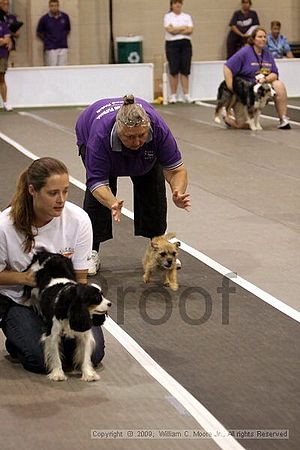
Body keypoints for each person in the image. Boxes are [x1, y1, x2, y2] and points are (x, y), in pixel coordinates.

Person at [0, 157, 105, 374]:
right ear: (32, 190)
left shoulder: (79, 220)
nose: (61, 200)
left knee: (93, 355)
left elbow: (81, 278)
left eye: (65, 191)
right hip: (21, 300)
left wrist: (79, 306)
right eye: (53, 193)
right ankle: (18, 338)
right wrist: (24, 278)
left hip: (64, 300)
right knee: (39, 360)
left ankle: (35, 336)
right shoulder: (5, 225)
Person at [75, 95, 190, 276]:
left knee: (154, 189)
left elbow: (176, 169)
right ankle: (90, 251)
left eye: (141, 135)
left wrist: (177, 190)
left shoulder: (158, 129)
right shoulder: (99, 137)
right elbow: (97, 182)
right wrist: (112, 202)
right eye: (130, 137)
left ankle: (159, 247)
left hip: (147, 155)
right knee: (98, 199)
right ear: (119, 130)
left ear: (148, 127)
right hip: (93, 134)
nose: (136, 142)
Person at [223, 27, 291, 130]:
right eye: (260, 37)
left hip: (260, 91)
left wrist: (266, 79)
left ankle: (283, 119)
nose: (263, 39)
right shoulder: (244, 52)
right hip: (245, 94)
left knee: (278, 84)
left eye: (264, 37)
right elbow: (227, 67)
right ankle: (227, 117)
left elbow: (275, 74)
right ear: (253, 39)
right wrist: (231, 86)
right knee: (243, 125)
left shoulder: (268, 54)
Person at [164, 0, 193, 104]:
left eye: (179, 3)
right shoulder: (168, 17)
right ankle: (173, 95)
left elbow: (190, 30)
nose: (178, 5)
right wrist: (183, 28)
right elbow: (170, 30)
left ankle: (186, 94)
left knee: (185, 69)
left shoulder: (187, 16)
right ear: (172, 5)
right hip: (172, 44)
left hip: (185, 44)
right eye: (175, 3)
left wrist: (176, 29)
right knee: (174, 70)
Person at [36, 0, 71, 66]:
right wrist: (47, 40)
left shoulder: (65, 17)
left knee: (63, 70)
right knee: (51, 70)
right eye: (52, 6)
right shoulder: (44, 19)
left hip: (63, 47)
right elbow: (39, 32)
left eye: (55, 6)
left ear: (58, 6)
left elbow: (68, 29)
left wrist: (62, 37)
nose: (54, 8)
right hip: (50, 48)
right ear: (49, 7)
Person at [0, 0, 12, 111]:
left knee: (2, 78)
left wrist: (3, 40)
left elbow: (7, 39)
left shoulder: (2, 23)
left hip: (2, 54)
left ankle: (5, 102)